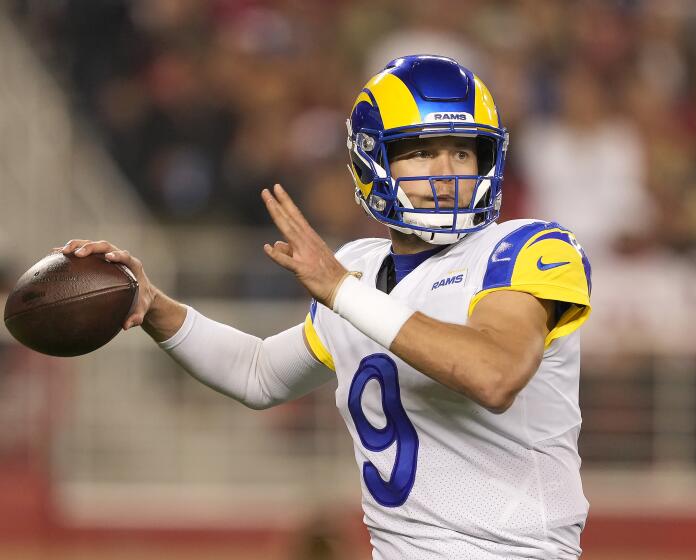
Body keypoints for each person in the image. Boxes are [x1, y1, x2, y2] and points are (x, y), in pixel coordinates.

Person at [62, 55, 593, 559]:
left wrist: (342, 291)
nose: (445, 172)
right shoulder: (360, 269)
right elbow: (257, 373)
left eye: (462, 151)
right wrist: (154, 306)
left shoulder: (529, 248)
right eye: (420, 151)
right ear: (373, 160)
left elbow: (494, 373)